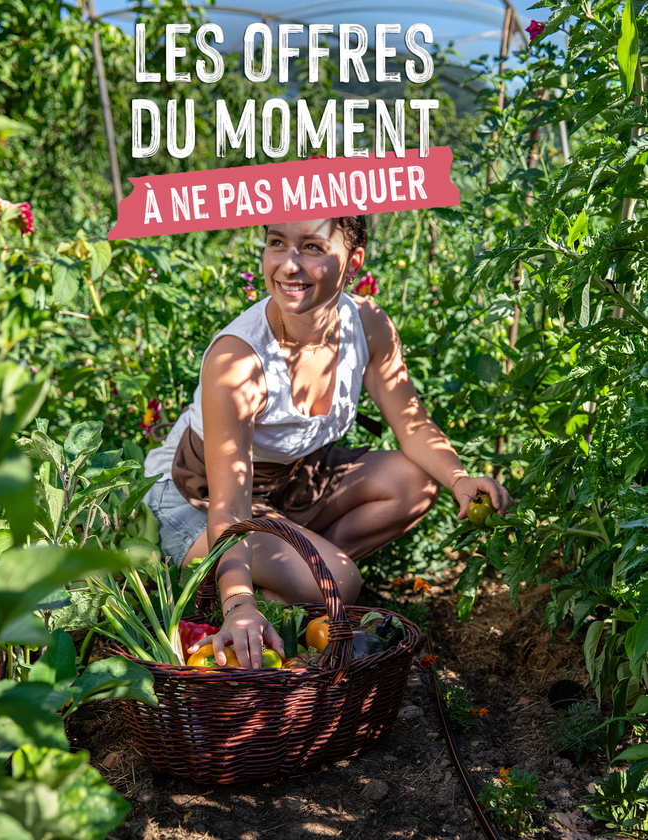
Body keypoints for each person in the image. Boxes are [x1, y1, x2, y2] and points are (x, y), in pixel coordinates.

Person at [143, 216, 513, 669]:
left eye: (312, 247)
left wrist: (458, 477)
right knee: (338, 578)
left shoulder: (367, 324)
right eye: (277, 243)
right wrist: (239, 604)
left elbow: (411, 423)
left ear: (352, 261)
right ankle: (257, 585)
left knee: (415, 482)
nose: (288, 265)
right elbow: (230, 508)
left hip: (293, 486)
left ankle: (299, 579)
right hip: (197, 499)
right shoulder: (239, 361)